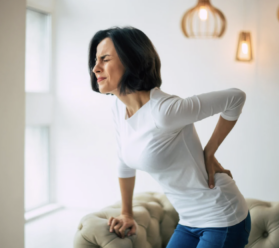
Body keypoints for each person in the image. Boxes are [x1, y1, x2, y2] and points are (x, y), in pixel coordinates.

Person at [88, 26, 251, 248]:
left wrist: (209, 151)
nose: (95, 68)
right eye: (95, 61)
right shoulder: (119, 109)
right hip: (188, 221)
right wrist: (127, 214)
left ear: (131, 60)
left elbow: (235, 98)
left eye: (104, 59)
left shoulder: (163, 111)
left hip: (222, 217)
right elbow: (124, 163)